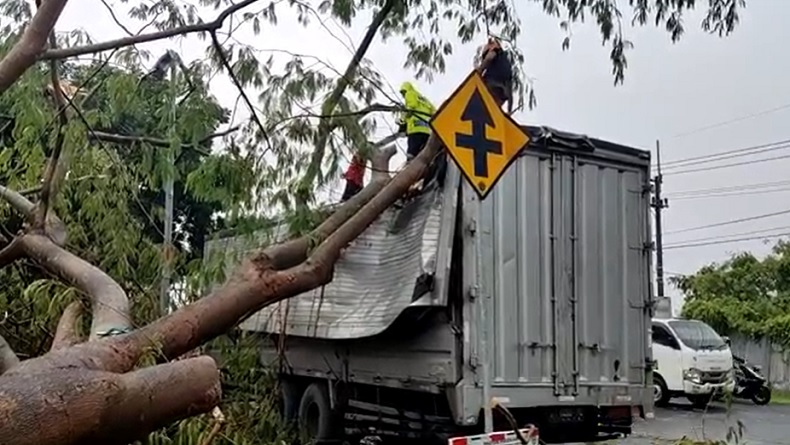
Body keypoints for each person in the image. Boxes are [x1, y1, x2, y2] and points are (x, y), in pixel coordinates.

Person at [397, 81, 436, 161]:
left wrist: (402, 124)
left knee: (411, 155)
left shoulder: (410, 93)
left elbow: (410, 108)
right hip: (427, 132)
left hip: (415, 130)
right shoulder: (424, 100)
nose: (404, 96)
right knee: (424, 155)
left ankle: (409, 168)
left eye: (403, 93)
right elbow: (434, 112)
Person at [476, 37, 514, 114]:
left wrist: (478, 73)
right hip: (503, 93)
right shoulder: (506, 63)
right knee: (492, 109)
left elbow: (489, 59)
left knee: (479, 88)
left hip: (491, 84)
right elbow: (510, 94)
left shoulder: (494, 51)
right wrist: (509, 110)